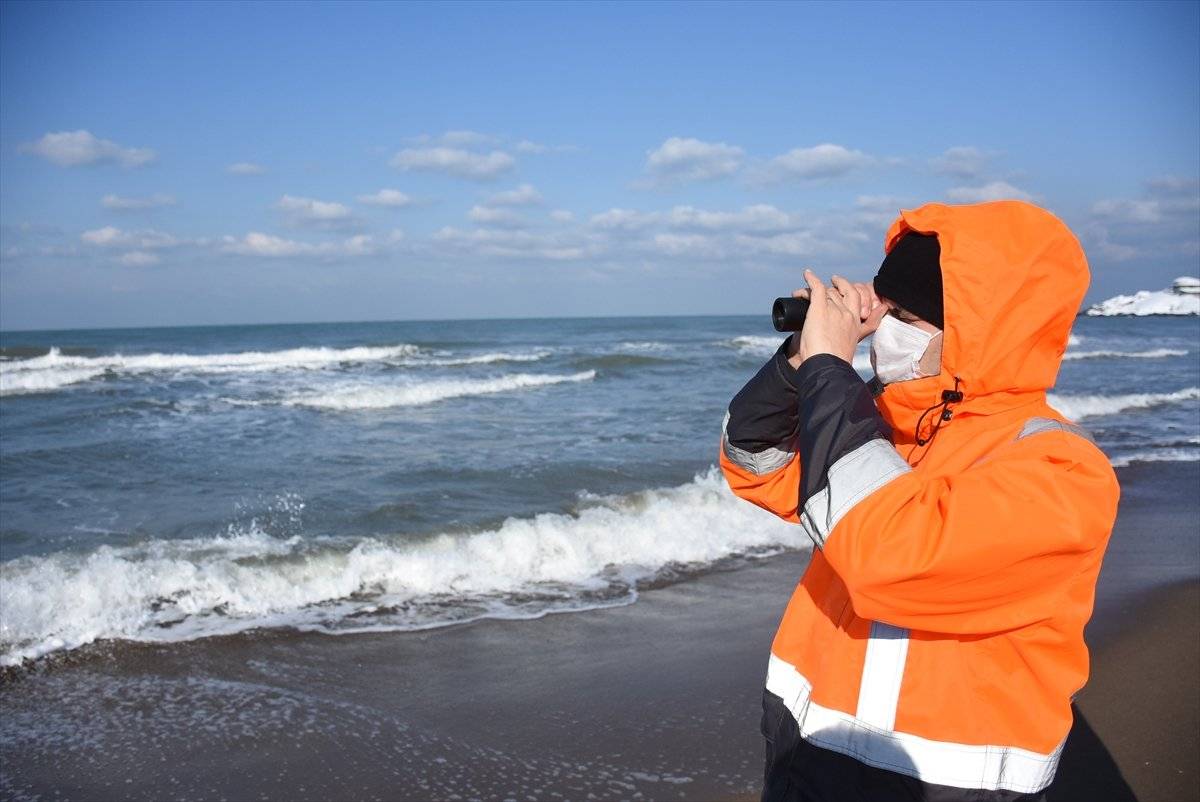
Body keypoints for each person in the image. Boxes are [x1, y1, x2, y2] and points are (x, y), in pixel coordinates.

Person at [718, 200, 1120, 802]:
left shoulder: (1060, 470)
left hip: (939, 781)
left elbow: (892, 553)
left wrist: (833, 369)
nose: (886, 330)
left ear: (975, 332)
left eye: (905, 315)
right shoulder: (891, 426)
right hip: (806, 744)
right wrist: (801, 364)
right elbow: (755, 461)